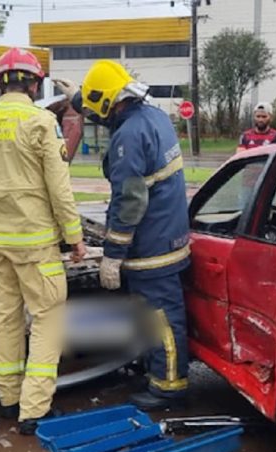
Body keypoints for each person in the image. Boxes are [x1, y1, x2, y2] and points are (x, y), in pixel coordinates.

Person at [0, 47, 87, 435]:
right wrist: (75, 237)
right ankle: (34, 410)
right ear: (34, 84)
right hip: (36, 242)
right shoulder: (40, 122)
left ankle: (8, 398)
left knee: (5, 317)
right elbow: (58, 184)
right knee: (49, 318)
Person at [54, 61, 191, 411]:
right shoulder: (154, 116)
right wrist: (80, 99)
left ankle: (168, 388)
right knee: (155, 314)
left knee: (161, 318)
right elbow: (109, 111)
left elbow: (129, 201)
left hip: (152, 246)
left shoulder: (128, 137)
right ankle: (153, 371)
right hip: (170, 234)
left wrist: (113, 254)